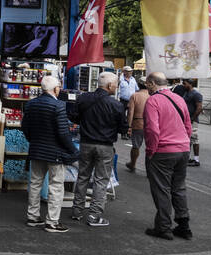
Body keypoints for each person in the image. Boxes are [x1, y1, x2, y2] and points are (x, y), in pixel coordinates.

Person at [67, 71, 128, 227]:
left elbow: (73, 116)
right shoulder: (116, 104)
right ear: (109, 85)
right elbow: (123, 128)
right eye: (116, 84)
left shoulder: (84, 98)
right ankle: (94, 215)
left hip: (86, 143)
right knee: (101, 181)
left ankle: (77, 211)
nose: (117, 87)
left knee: (82, 177)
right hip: (105, 145)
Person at [22, 74, 77, 233]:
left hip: (37, 150)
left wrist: (34, 140)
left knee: (35, 183)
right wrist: (73, 150)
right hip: (55, 153)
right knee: (55, 186)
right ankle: (52, 222)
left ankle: (33, 217)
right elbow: (63, 133)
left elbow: (25, 127)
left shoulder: (31, 104)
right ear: (55, 89)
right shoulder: (58, 106)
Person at [142, 72, 193, 240]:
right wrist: (185, 143)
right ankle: (184, 225)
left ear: (151, 84)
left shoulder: (153, 101)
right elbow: (188, 125)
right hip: (183, 149)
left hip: (163, 150)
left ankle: (164, 227)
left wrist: (151, 151)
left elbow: (152, 130)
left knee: (161, 189)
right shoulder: (179, 99)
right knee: (178, 187)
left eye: (147, 84)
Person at [173, 77, 205, 166]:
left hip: (192, 120)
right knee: (188, 139)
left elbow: (199, 108)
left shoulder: (196, 94)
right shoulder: (186, 93)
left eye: (185, 83)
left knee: (194, 139)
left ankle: (196, 160)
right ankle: (187, 158)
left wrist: (192, 118)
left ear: (190, 84)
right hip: (186, 119)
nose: (183, 85)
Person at [125, 76, 153, 173]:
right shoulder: (153, 96)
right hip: (151, 124)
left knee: (136, 145)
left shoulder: (135, 96)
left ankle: (133, 164)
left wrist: (129, 126)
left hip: (138, 123)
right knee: (151, 147)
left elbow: (130, 112)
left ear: (139, 84)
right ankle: (149, 169)